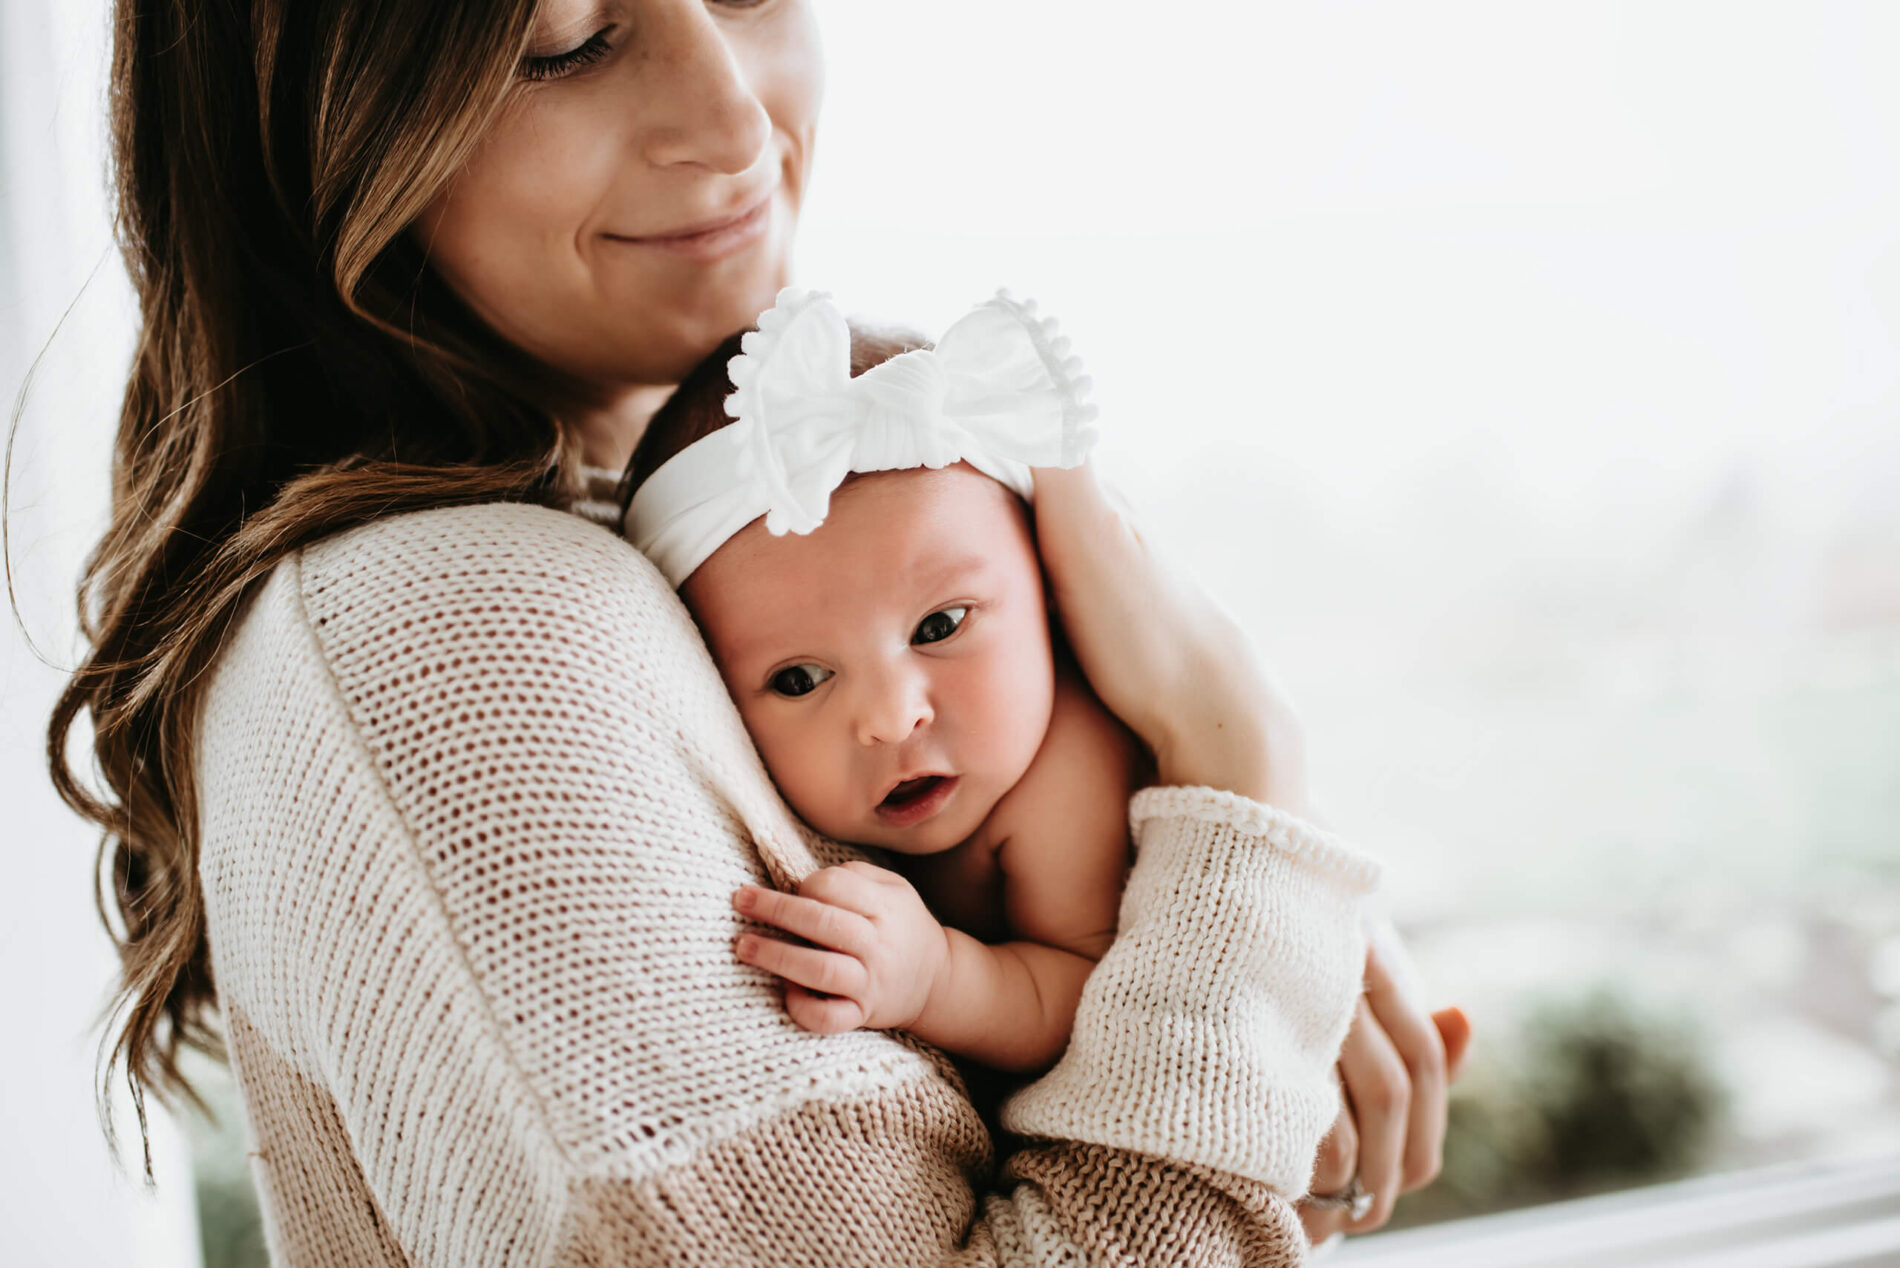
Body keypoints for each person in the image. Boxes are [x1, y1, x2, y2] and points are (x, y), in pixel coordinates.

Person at [46, 0, 1469, 1260]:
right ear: (317, 126)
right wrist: (1240, 803)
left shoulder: (669, 549)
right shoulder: (447, 641)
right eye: (565, 41)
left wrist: (1196, 906)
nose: (735, 119)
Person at [622, 290, 1146, 1077]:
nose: (893, 718)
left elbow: (1101, 1004)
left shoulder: (1066, 771)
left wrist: (940, 978)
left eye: (940, 627)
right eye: (799, 678)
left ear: (1044, 582)